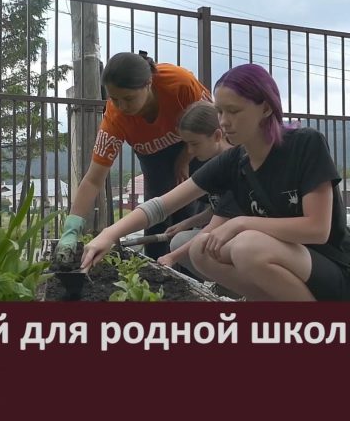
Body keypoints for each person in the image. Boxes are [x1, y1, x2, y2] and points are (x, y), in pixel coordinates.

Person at [80, 63, 350, 301]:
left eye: (233, 111)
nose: (224, 121)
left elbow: (317, 229)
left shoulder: (305, 143)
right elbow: (163, 204)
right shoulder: (235, 160)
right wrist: (109, 235)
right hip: (287, 267)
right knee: (201, 249)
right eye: (219, 111)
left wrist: (241, 223)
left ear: (266, 108)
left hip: (332, 268)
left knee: (246, 246)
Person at [56, 51, 209, 262]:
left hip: (193, 144)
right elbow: (93, 179)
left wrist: (185, 159)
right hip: (152, 157)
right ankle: (157, 270)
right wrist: (72, 227)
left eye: (128, 98)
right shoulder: (115, 118)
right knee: (155, 213)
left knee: (194, 206)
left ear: (148, 84)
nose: (122, 107)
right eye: (114, 99)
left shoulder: (179, 83)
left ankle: (196, 269)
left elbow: (210, 123)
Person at [157, 100, 239, 281]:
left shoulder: (232, 165)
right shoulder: (214, 163)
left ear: (217, 136)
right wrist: (186, 223)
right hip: (228, 235)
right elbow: (217, 208)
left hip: (241, 240)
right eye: (187, 144)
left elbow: (217, 223)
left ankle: (232, 287)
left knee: (181, 242)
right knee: (183, 237)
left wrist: (172, 257)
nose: (190, 151)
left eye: (194, 144)